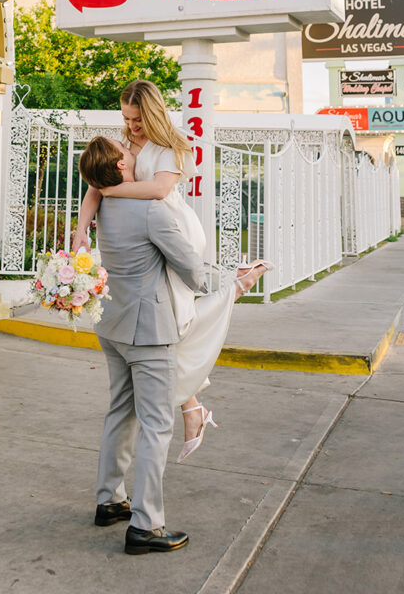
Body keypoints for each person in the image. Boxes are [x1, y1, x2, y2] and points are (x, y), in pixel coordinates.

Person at [72, 80, 272, 462]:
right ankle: (192, 406)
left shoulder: (171, 146)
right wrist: (82, 227)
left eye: (138, 119)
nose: (131, 126)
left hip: (169, 232)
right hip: (141, 235)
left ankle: (236, 289)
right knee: (170, 331)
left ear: (153, 112)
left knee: (174, 324)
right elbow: (96, 187)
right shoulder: (123, 145)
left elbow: (160, 191)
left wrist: (112, 192)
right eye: (127, 118)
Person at [78, 137, 208, 555]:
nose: (133, 147)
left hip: (113, 324)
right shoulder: (150, 209)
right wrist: (206, 286)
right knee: (156, 424)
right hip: (149, 330)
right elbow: (190, 266)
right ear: (120, 166)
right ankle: (147, 525)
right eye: (125, 147)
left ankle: (110, 500)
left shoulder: (106, 205)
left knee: (121, 409)